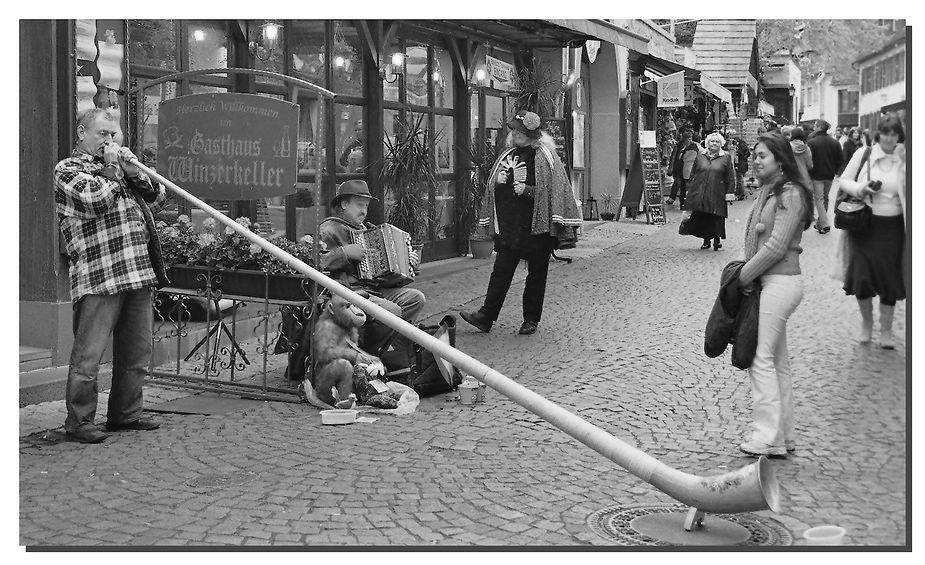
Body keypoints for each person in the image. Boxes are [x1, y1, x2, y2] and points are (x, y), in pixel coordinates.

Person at [55, 108, 166, 444]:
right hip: (98, 274)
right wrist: (116, 169)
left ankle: (126, 414)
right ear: (81, 133)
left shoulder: (118, 172)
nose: (110, 141)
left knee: (137, 352)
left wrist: (135, 173)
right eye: (102, 134)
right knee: (89, 355)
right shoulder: (68, 170)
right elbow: (97, 200)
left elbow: (159, 200)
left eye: (113, 134)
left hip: (136, 271)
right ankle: (79, 422)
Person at [460, 110, 582, 336]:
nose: (515, 133)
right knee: (501, 271)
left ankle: (531, 320)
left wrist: (526, 191)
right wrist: (498, 182)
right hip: (510, 226)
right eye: (514, 130)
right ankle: (486, 316)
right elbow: (494, 189)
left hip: (537, 228)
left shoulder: (545, 156)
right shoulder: (509, 153)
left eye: (520, 130)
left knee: (536, 273)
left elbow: (551, 193)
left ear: (532, 134)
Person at [737, 132, 814, 456]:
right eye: (755, 154)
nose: (756, 159)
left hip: (781, 283)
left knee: (760, 358)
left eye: (763, 155)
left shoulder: (791, 193)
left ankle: (765, 436)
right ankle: (783, 436)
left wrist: (741, 275)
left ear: (780, 159)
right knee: (778, 362)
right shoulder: (770, 189)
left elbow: (776, 246)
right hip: (771, 283)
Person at [318, 180, 424, 356]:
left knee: (415, 298)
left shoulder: (369, 230)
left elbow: (387, 270)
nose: (364, 211)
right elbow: (316, 264)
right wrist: (344, 253)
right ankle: (371, 354)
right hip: (348, 292)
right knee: (392, 311)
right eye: (359, 205)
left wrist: (408, 262)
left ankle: (389, 348)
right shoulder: (329, 230)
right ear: (344, 204)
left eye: (366, 206)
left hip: (375, 290)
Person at [831, 114, 906, 350]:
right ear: (878, 134)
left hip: (894, 227)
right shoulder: (864, 154)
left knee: (888, 278)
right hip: (865, 224)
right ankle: (867, 323)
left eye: (894, 134)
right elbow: (844, 180)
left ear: (899, 136)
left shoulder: (905, 158)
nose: (889, 138)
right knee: (861, 276)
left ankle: (886, 330)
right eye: (885, 133)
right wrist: (861, 188)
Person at [681, 131, 735, 251]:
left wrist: (729, 192)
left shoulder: (726, 156)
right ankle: (706, 240)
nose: (714, 143)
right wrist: (690, 189)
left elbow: (730, 176)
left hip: (718, 190)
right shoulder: (700, 155)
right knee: (704, 215)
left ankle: (717, 240)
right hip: (702, 189)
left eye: (717, 141)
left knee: (716, 215)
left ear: (721, 144)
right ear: (707, 143)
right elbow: (693, 173)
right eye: (712, 141)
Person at [806, 119, 844, 234]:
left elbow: (808, 159)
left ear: (820, 128)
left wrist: (810, 170)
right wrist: (835, 169)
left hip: (816, 174)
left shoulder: (812, 142)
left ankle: (825, 223)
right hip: (829, 174)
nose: (813, 128)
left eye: (815, 126)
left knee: (819, 199)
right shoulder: (834, 142)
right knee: (825, 198)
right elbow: (840, 159)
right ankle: (820, 224)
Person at [665, 130, 691, 206]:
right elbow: (673, 157)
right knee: (677, 183)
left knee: (684, 185)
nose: (690, 140)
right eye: (689, 139)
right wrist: (671, 168)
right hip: (678, 168)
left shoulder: (691, 147)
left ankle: (682, 202)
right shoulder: (678, 147)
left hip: (686, 169)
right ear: (685, 139)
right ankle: (672, 198)